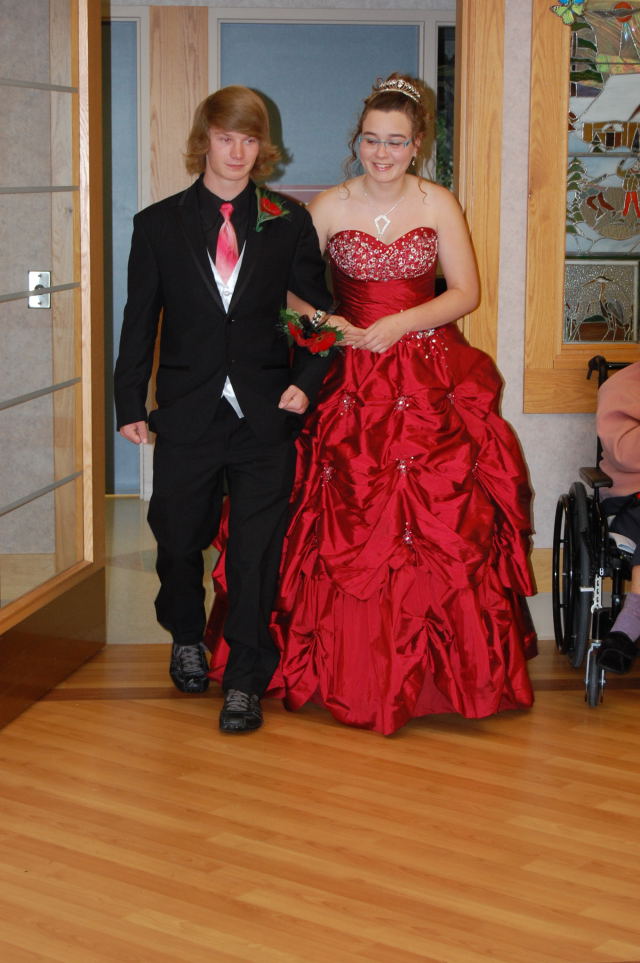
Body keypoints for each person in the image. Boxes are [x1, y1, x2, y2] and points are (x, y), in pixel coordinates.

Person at [206, 73, 537, 735]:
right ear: (356, 141)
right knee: (335, 509)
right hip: (347, 369)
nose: (381, 152)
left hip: (427, 368)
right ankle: (337, 672)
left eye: (395, 141)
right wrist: (327, 323)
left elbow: (465, 293)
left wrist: (403, 323)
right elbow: (279, 287)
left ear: (417, 145)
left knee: (441, 521)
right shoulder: (328, 206)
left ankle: (443, 678)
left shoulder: (438, 203)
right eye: (371, 140)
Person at [114, 86, 335, 733]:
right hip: (188, 411)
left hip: (266, 414)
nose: (237, 152)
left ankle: (244, 680)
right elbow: (139, 321)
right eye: (225, 138)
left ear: (262, 148)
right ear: (204, 140)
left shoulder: (289, 221)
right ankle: (186, 634)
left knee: (254, 553)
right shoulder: (158, 224)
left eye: (249, 140)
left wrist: (308, 381)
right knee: (178, 538)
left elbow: (318, 315)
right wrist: (130, 400)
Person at [596, 361, 640, 674]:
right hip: (631, 498)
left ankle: (628, 625)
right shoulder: (622, 386)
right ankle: (630, 621)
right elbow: (625, 452)